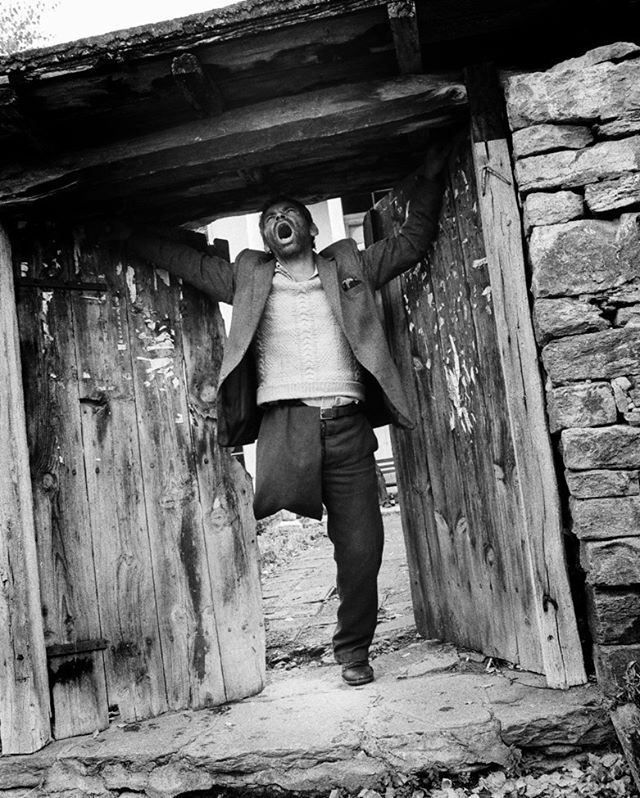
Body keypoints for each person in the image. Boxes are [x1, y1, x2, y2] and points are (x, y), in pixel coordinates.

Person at [115, 133, 455, 686]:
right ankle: (225, 640)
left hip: (347, 427)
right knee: (247, 521)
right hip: (286, 427)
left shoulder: (352, 268)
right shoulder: (248, 279)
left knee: (362, 548)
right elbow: (186, 262)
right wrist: (128, 233)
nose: (278, 219)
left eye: (288, 212)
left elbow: (413, 243)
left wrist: (430, 178)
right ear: (266, 238)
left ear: (310, 228)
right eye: (269, 217)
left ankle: (352, 651)